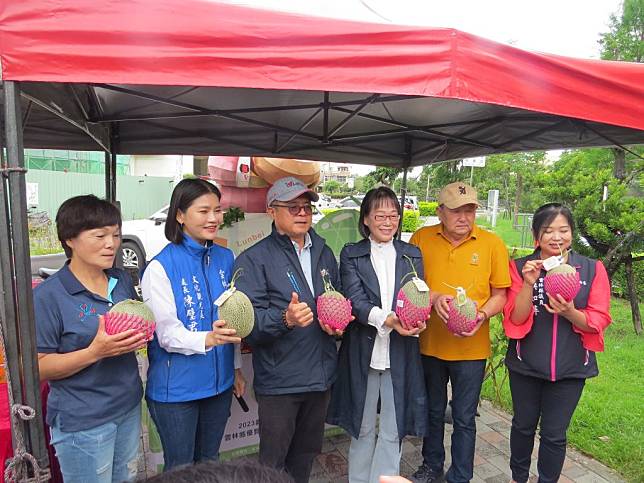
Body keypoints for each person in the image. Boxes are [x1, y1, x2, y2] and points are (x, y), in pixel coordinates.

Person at [233, 176, 342, 483]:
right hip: (281, 383)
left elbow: (335, 300)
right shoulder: (253, 260)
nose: (302, 213)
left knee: (304, 459)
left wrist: (337, 325)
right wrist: (285, 319)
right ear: (272, 212)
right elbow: (247, 325)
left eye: (306, 206)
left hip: (319, 378)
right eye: (292, 207)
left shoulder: (324, 252)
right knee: (272, 467)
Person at [35, 195, 145, 482]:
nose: (111, 244)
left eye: (116, 235)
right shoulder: (49, 296)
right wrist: (94, 352)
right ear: (70, 239)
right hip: (83, 420)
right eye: (100, 235)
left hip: (128, 406)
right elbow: (39, 367)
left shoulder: (120, 280)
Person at [409, 182, 511, 483]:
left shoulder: (492, 243)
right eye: (456, 210)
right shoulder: (421, 238)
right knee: (432, 409)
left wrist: (482, 314)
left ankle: (461, 474)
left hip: (472, 349)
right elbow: (409, 282)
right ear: (440, 211)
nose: (464, 217)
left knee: (465, 418)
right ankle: (432, 465)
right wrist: (434, 297)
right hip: (430, 344)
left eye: (470, 210)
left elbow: (500, 294)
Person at [502, 203, 611, 483]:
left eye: (563, 230)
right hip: (526, 365)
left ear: (572, 233)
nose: (556, 237)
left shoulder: (591, 269)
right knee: (523, 426)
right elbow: (516, 317)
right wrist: (528, 283)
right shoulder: (520, 267)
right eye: (548, 230)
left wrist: (570, 313)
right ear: (536, 235)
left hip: (571, 369)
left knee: (554, 434)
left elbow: (598, 319)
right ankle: (518, 477)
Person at [141, 178, 245, 471]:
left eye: (218, 210)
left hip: (220, 385)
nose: (213, 218)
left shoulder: (226, 258)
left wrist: (235, 367)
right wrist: (208, 339)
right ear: (180, 215)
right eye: (203, 211)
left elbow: (231, 321)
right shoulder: (161, 267)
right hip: (177, 393)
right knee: (181, 469)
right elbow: (165, 334)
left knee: (210, 464)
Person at [327, 186, 428, 483]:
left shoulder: (411, 255)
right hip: (364, 351)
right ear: (366, 220)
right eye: (380, 215)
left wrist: (417, 319)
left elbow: (417, 295)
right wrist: (388, 319)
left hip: (401, 351)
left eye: (393, 216)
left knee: (393, 429)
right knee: (362, 425)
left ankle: (384, 480)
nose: (388, 222)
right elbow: (355, 301)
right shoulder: (352, 254)